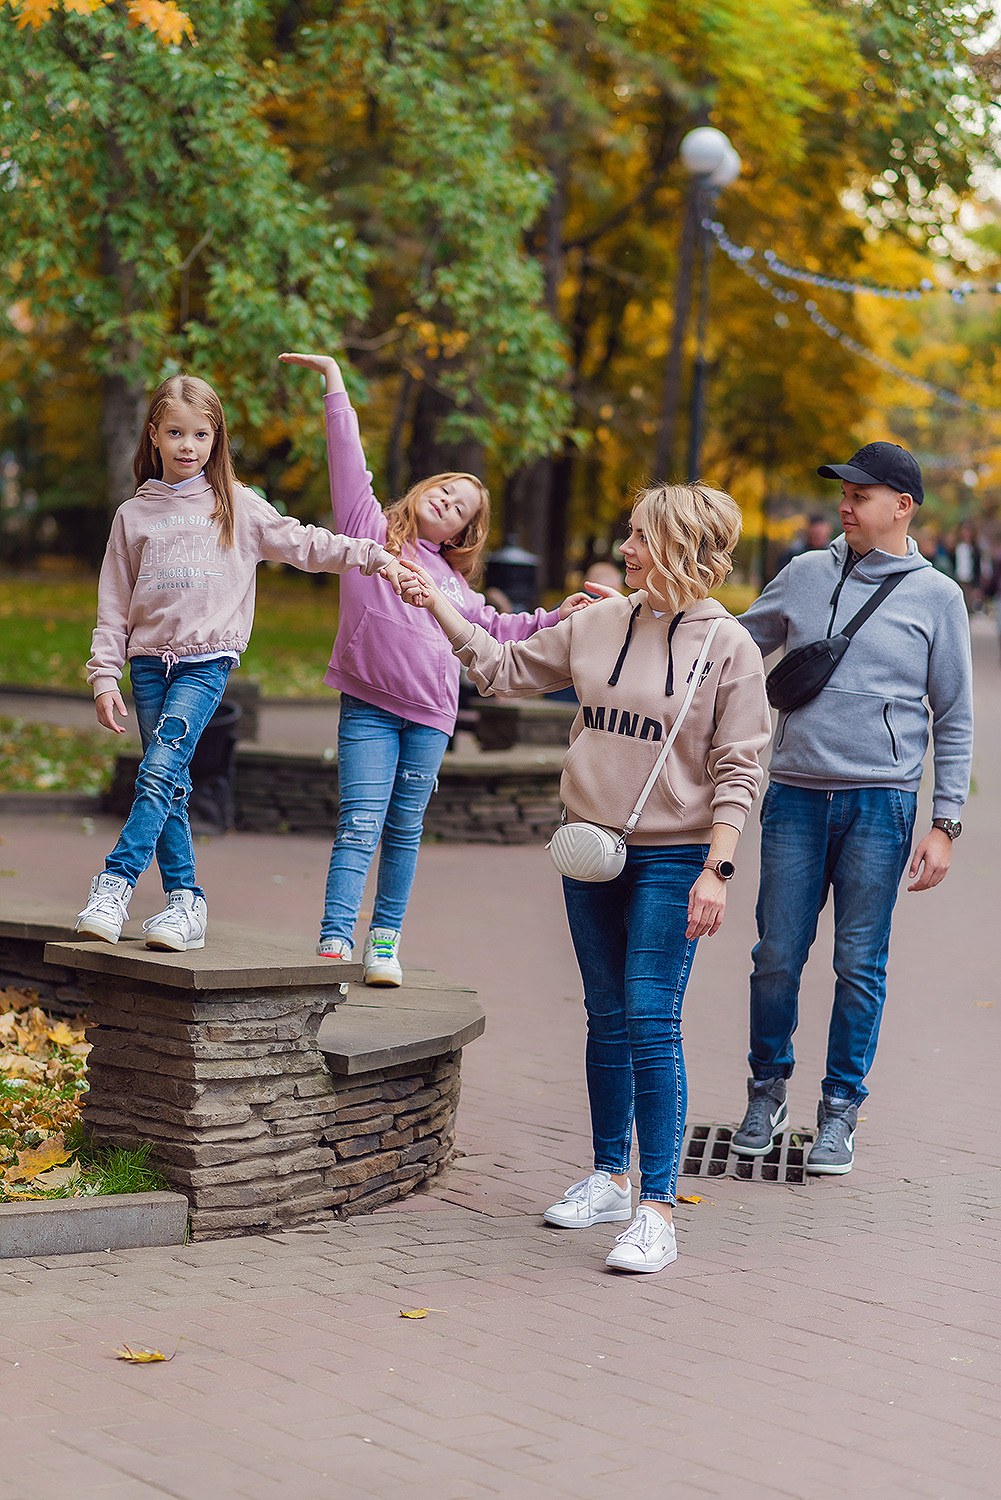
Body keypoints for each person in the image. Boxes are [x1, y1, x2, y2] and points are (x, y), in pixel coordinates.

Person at [402, 483, 770, 1274]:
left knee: (649, 1018)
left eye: (639, 537)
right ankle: (608, 1176)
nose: (626, 549)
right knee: (605, 1016)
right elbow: (499, 668)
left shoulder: (728, 646)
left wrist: (718, 866)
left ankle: (656, 1208)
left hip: (676, 857)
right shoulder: (597, 623)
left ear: (676, 545)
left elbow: (740, 767)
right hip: (590, 848)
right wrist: (434, 600)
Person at [278, 352, 602, 985]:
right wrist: (336, 384)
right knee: (359, 823)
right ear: (424, 488)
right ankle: (334, 941)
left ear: (463, 535)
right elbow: (348, 459)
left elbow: (498, 631)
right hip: (369, 708)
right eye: (445, 489)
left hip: (430, 718)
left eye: (461, 509)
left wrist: (554, 617)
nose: (448, 503)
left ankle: (384, 943)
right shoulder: (369, 530)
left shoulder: (457, 587)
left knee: (404, 829)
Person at [75, 373, 418, 952]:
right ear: (154, 435)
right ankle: (185, 903)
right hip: (146, 666)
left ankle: (115, 882)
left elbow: (306, 544)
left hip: (206, 661)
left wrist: (371, 555)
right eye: (177, 432)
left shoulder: (238, 504)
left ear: (217, 440)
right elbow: (113, 604)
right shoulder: (132, 516)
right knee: (171, 783)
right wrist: (104, 674)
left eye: (201, 434)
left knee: (158, 771)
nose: (189, 445)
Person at [732, 442, 973, 1174]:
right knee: (775, 955)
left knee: (858, 963)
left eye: (859, 494)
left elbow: (954, 715)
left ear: (901, 506)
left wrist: (945, 822)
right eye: (842, 492)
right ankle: (765, 1090)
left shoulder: (938, 597)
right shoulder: (803, 573)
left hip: (881, 802)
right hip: (796, 796)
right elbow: (739, 648)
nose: (844, 504)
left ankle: (840, 1108)